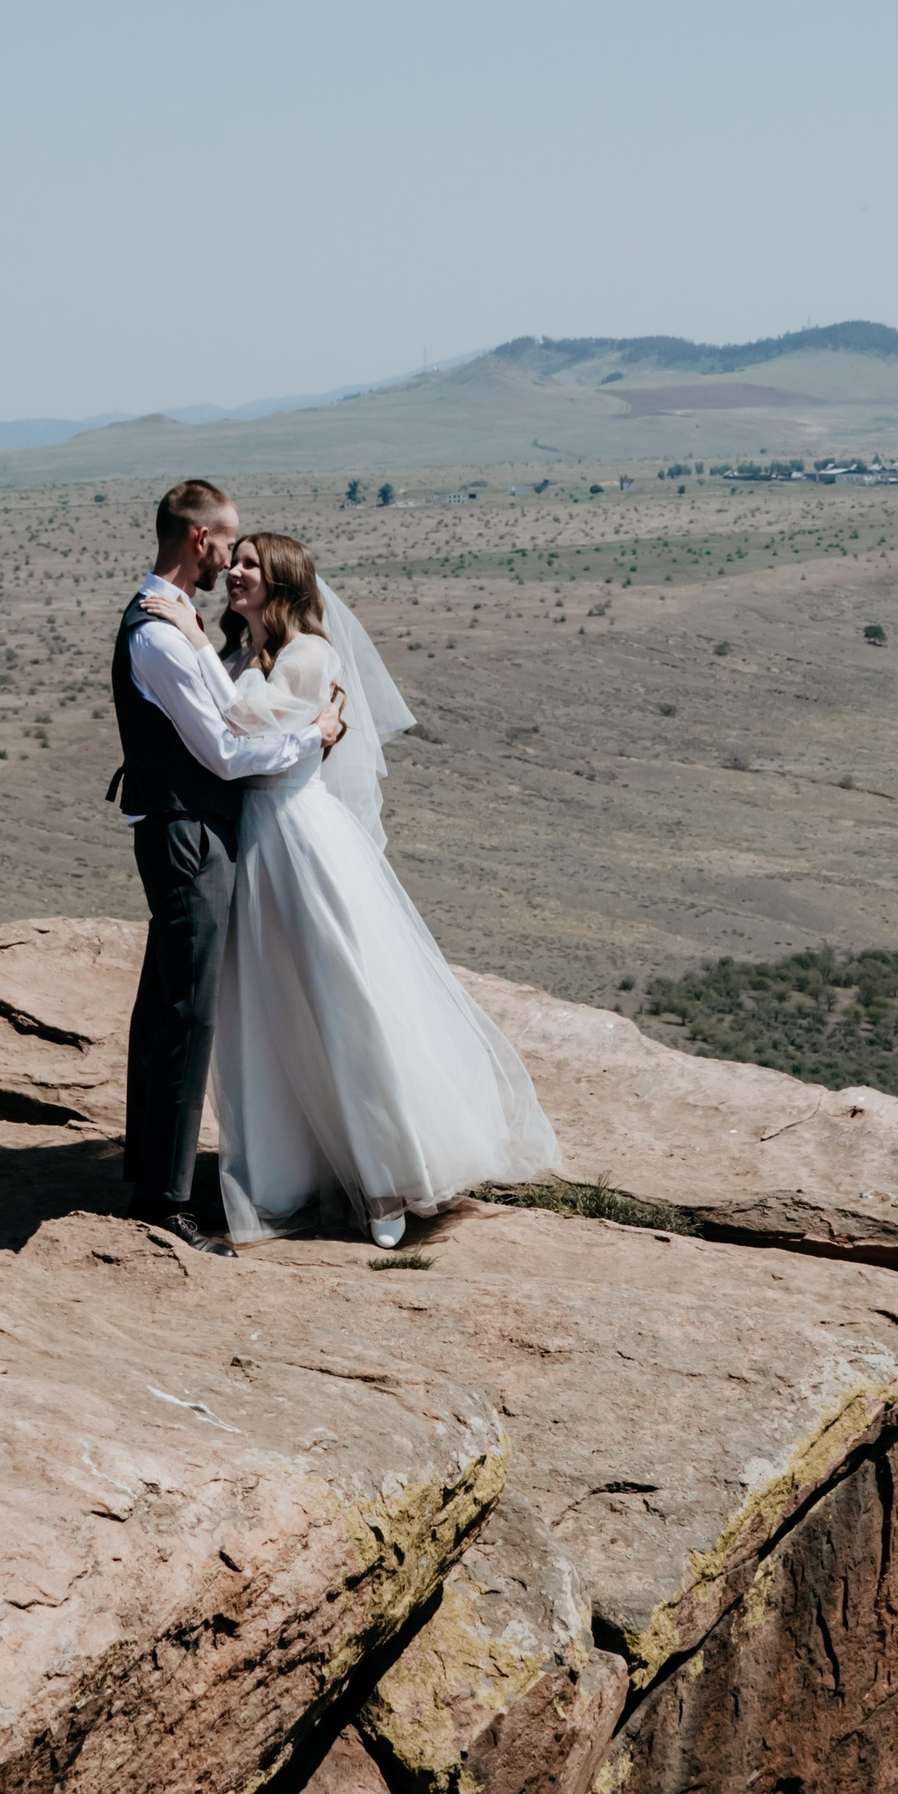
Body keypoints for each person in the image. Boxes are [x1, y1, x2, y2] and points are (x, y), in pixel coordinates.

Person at [137, 531, 559, 1245]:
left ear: (285, 584)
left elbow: (242, 724)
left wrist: (194, 640)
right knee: (270, 1012)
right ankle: (290, 1173)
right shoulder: (243, 655)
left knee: (344, 1002)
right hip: (254, 851)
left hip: (303, 847)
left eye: (250, 566)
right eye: (232, 562)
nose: (235, 574)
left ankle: (390, 1177)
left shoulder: (311, 655)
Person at [110, 479, 345, 1255]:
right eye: (228, 542)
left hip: (191, 827)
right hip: (187, 833)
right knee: (187, 1013)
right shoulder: (158, 634)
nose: (230, 561)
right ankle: (163, 1200)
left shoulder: (177, 629)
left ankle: (149, 1174)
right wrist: (316, 735)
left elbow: (225, 714)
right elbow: (225, 750)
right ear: (200, 542)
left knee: (171, 1006)